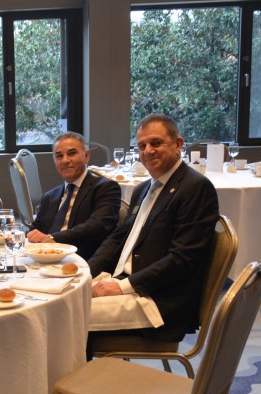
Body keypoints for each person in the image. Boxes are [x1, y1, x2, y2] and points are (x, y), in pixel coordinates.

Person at [87, 113, 219, 342]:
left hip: (160, 300)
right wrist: (87, 273)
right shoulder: (142, 189)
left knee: (70, 315)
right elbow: (118, 238)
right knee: (64, 298)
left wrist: (122, 287)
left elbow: (182, 259)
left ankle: (83, 366)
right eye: (142, 146)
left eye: (156, 143)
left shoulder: (196, 188)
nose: (148, 151)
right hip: (127, 281)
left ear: (178, 144)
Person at [27, 132, 121, 261]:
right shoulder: (49, 197)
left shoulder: (105, 188)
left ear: (86, 156)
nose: (65, 160)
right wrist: (30, 235)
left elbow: (97, 226)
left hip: (81, 260)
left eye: (71, 153)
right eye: (59, 156)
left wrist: (53, 238)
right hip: (45, 260)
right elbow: (35, 229)